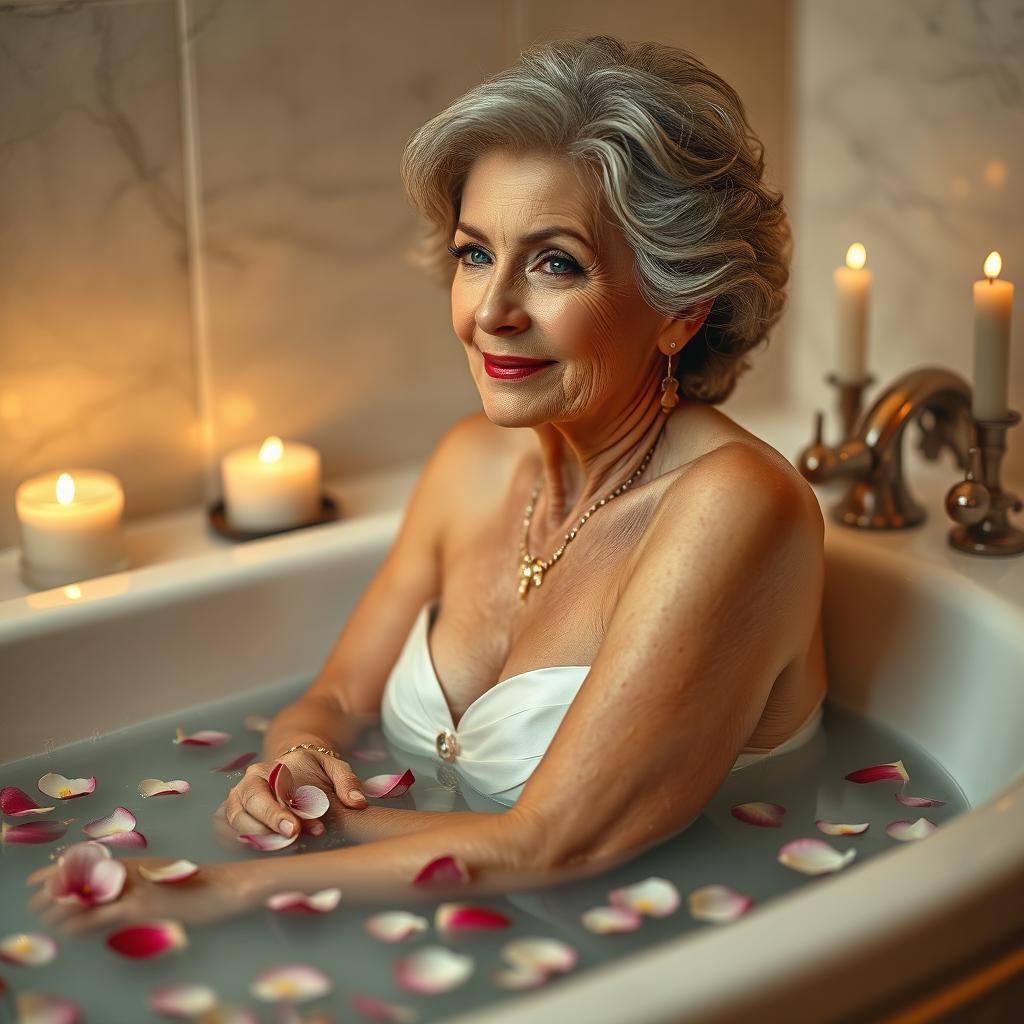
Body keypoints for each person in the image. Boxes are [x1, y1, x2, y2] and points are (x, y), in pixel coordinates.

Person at [28, 34, 826, 931]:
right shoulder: (471, 466)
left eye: (556, 261)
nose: (490, 311)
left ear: (682, 309)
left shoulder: (735, 505)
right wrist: (290, 773)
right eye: (475, 253)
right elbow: (331, 702)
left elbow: (556, 842)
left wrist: (216, 887)